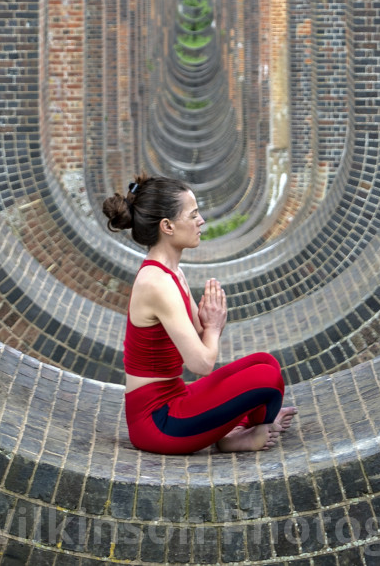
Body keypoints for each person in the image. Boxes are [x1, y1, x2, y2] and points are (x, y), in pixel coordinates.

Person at [102, 174, 297, 454]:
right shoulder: (156, 283)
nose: (201, 221)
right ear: (167, 226)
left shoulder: (172, 273)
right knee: (268, 381)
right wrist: (215, 328)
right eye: (193, 215)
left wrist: (211, 322)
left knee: (265, 363)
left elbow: (198, 332)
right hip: (158, 423)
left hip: (176, 397)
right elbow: (202, 363)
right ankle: (240, 435)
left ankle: (242, 428)